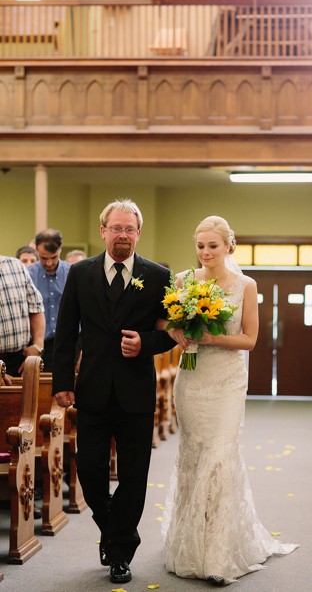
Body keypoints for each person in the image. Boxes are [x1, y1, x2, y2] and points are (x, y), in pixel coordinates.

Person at [160, 216, 297, 584]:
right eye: (200, 246)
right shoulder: (184, 282)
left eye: (212, 246)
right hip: (191, 380)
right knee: (194, 454)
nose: (205, 252)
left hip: (226, 382)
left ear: (227, 247)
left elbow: (250, 339)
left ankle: (218, 556)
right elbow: (169, 324)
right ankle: (191, 544)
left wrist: (210, 337)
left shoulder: (245, 285)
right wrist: (182, 335)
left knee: (220, 455)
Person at [51, 199, 175, 584]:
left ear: (138, 233)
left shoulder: (157, 275)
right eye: (116, 228)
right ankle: (114, 528)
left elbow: (170, 331)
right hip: (92, 389)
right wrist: (62, 384)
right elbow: (67, 330)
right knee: (88, 469)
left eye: (129, 229)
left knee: (135, 476)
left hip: (136, 391)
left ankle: (121, 553)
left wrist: (146, 344)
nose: (122, 235)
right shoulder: (81, 273)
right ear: (103, 231)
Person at [28, 229, 72, 371]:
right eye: (43, 258)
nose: (48, 263)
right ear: (36, 250)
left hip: (68, 344)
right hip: (38, 345)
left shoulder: (72, 273)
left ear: (60, 249)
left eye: (53, 257)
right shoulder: (28, 274)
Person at [0, 254, 45, 382]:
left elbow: (36, 307)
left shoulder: (16, 265)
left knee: (26, 402)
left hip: (19, 361)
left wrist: (37, 345)